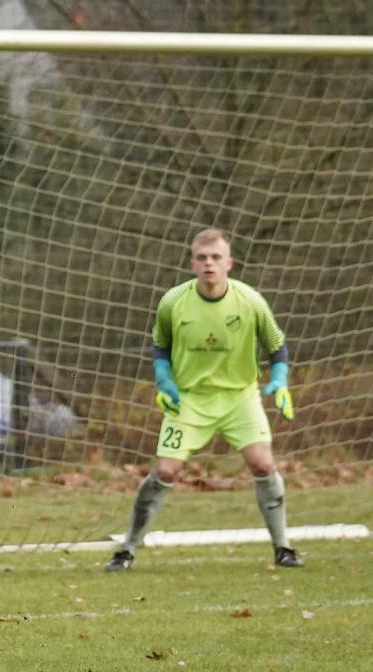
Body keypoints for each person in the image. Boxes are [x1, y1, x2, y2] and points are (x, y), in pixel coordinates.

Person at [106, 228, 302, 572]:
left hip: (239, 397)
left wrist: (280, 381)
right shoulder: (173, 301)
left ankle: (283, 548)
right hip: (190, 400)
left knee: (263, 464)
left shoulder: (251, 301)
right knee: (165, 470)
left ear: (229, 263)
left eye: (215, 257)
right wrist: (164, 381)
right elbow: (160, 346)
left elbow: (277, 346)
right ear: (192, 263)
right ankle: (126, 550)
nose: (209, 263)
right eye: (202, 258)